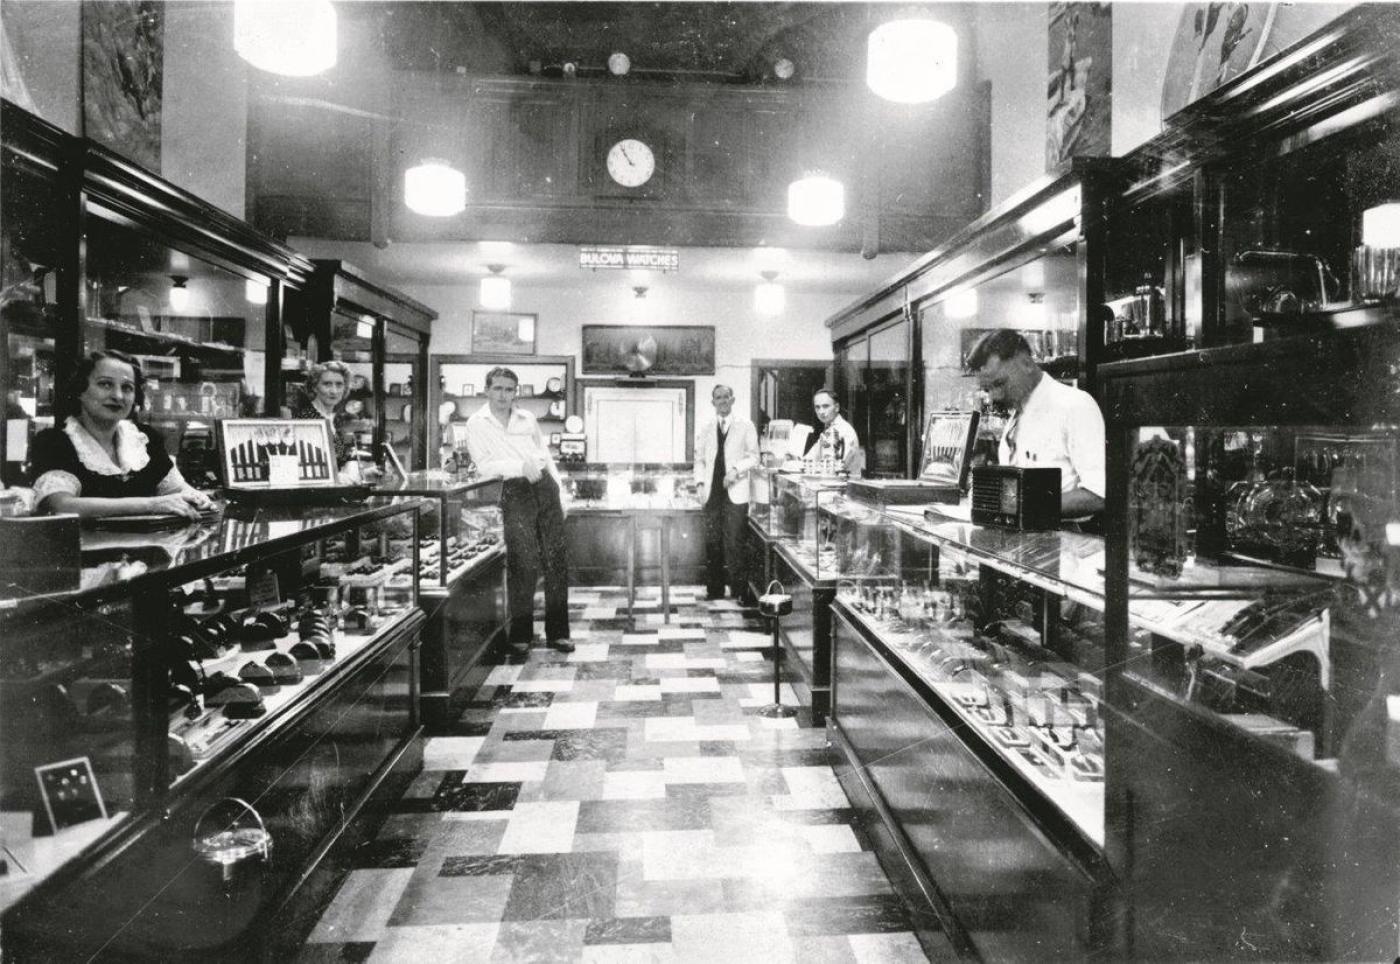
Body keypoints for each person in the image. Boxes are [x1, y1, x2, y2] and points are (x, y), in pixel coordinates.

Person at [464, 366, 572, 658]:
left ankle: (559, 633)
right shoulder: (477, 423)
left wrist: (560, 492)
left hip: (544, 486)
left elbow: (545, 456)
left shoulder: (528, 418)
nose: (503, 395)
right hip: (515, 491)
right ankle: (522, 634)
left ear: (516, 392)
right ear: (487, 390)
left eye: (509, 389)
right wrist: (517, 467)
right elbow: (484, 465)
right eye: (497, 388)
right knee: (523, 563)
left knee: (556, 561)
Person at [29, 350, 212, 519]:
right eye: (105, 384)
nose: (118, 396)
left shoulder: (144, 438)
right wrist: (151, 504)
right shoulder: (54, 442)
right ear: (80, 391)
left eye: (127, 388)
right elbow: (62, 506)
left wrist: (197, 499)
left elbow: (178, 490)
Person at [967, 329, 1105, 518]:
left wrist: (1022, 506)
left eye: (1000, 384)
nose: (994, 397)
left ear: (1026, 363)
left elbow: (1099, 495)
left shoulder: (1074, 405)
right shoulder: (1018, 413)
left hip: (1067, 539)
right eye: (987, 389)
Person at [694, 384, 759, 604]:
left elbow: (754, 457)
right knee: (712, 542)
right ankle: (714, 590)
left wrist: (736, 470)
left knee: (735, 542)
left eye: (726, 397)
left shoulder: (745, 425)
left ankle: (739, 590)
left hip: (736, 492)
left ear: (733, 400)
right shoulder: (706, 427)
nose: (722, 401)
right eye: (718, 398)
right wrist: (700, 484)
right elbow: (700, 460)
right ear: (713, 402)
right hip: (712, 493)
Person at [292, 360, 356, 464]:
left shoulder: (330, 418)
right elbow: (315, 467)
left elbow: (338, 460)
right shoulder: (307, 419)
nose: (334, 391)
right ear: (314, 387)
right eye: (327, 384)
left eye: (339, 384)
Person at [808, 388, 864, 476]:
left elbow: (838, 467)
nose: (821, 411)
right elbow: (810, 459)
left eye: (825, 406)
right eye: (817, 407)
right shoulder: (829, 430)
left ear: (837, 407)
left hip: (845, 486)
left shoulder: (843, 430)